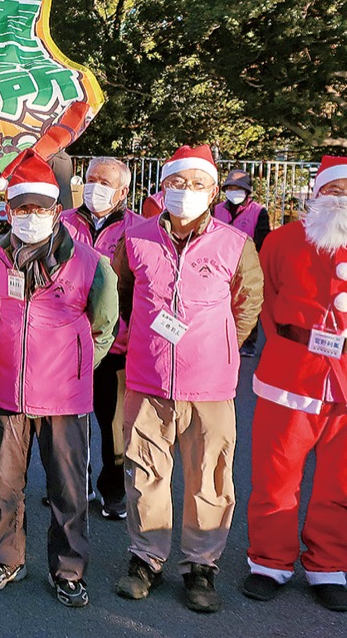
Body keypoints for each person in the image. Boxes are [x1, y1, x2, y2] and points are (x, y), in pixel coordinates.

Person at [243, 155, 347, 612]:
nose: (343, 198)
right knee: (275, 477)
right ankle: (269, 561)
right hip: (291, 375)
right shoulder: (281, 241)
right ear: (317, 193)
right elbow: (268, 301)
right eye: (334, 189)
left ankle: (328, 566)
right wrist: (295, 347)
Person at [111, 144, 263, 613]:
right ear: (163, 187)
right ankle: (146, 558)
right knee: (145, 473)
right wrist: (145, 338)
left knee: (210, 476)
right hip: (148, 378)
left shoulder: (235, 243)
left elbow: (248, 303)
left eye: (197, 184)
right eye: (177, 183)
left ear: (213, 191)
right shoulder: (135, 239)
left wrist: (220, 344)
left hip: (210, 384)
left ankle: (201, 565)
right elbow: (121, 293)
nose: (186, 191)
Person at [0, 154, 118, 608]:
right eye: (23, 209)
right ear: (8, 211)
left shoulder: (91, 263)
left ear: (57, 212)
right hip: (8, 391)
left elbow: (105, 324)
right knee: (3, 485)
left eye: (40, 209)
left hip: (65, 396)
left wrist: (78, 364)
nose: (31, 217)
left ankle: (69, 570)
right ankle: (5, 559)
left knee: (68, 489)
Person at [59, 157, 142, 520]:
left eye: (105, 182)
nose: (94, 187)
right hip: (66, 341)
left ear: (122, 192)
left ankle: (113, 490)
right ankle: (72, 485)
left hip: (117, 342)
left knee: (114, 424)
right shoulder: (63, 222)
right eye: (90, 179)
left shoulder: (138, 229)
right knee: (67, 422)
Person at [213, 168, 270, 356]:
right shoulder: (217, 210)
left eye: (238, 188)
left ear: (247, 191)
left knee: (246, 301)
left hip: (247, 263)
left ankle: (248, 342)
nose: (234, 191)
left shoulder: (258, 212)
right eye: (231, 188)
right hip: (220, 262)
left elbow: (263, 240)